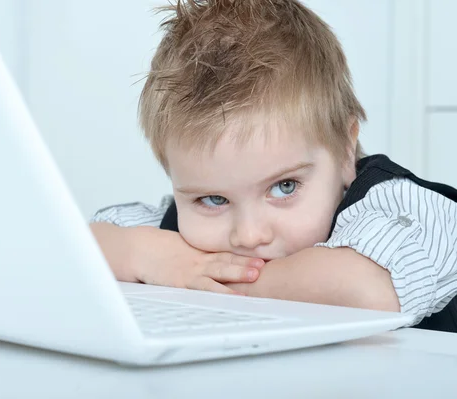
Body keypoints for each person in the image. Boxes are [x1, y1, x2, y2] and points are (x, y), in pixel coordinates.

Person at [90, 0, 457, 332]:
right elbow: (76, 250)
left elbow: (365, 292)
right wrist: (147, 253)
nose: (249, 236)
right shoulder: (179, 250)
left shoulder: (403, 211)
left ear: (346, 150)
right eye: (214, 200)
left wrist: (207, 285)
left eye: (284, 187)